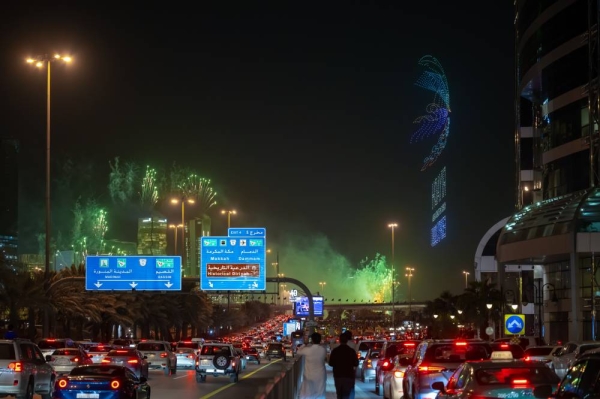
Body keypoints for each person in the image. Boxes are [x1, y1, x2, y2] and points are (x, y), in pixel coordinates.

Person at [328, 331, 358, 399]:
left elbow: (330, 363)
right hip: (349, 375)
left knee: (339, 393)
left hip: (338, 375)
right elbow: (356, 363)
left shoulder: (335, 350)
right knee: (347, 393)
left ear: (340, 340)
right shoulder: (352, 350)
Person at [297, 332, 327, 399]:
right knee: (320, 392)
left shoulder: (308, 350)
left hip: (309, 374)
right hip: (320, 374)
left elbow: (298, 352)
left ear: (312, 340)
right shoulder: (323, 350)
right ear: (320, 340)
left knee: (308, 392)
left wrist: (305, 344)